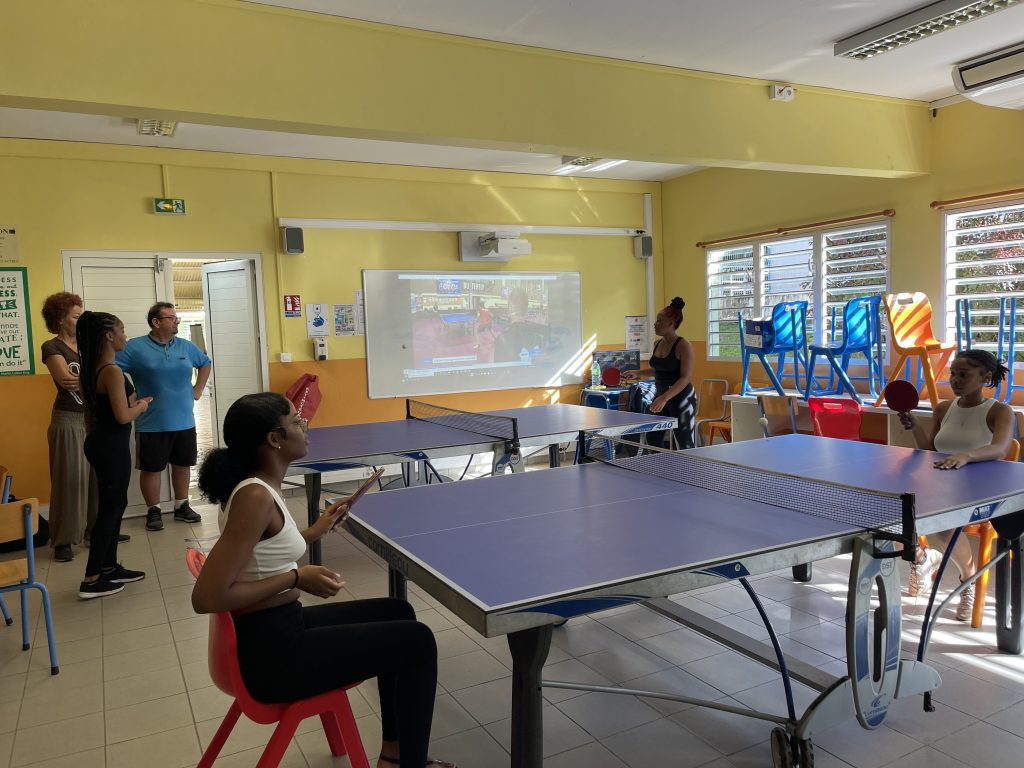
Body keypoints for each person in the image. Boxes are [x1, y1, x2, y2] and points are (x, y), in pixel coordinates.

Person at [191, 393, 452, 768]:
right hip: (272, 657)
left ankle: (394, 755)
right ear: (274, 439)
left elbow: (262, 550)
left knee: (399, 610)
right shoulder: (255, 497)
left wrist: (314, 531)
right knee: (419, 642)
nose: (305, 426)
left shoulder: (261, 487)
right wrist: (296, 577)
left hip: (281, 627)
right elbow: (206, 597)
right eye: (297, 421)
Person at [899, 349, 1014, 621]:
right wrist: (916, 427)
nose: (955, 380)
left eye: (964, 374)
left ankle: (967, 580)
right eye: (952, 373)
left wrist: (966, 456)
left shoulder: (1000, 411)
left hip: (982, 489)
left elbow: (1001, 448)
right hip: (942, 484)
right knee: (895, 510)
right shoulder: (942, 409)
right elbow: (930, 450)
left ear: (985, 378)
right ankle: (923, 558)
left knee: (945, 524)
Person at [116, 302, 211, 531]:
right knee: (151, 469)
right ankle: (153, 511)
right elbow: (111, 369)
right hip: (151, 422)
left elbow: (205, 363)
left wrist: (198, 389)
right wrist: (128, 395)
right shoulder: (134, 347)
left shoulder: (186, 346)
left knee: (182, 465)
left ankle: (181, 506)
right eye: (171, 318)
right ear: (156, 322)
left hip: (184, 420)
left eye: (176, 317)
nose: (176, 321)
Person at [76, 311, 151, 598]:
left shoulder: (93, 368)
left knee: (115, 505)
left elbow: (101, 412)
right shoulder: (111, 371)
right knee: (110, 509)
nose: (125, 336)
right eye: (122, 330)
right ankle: (91, 578)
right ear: (109, 335)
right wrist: (142, 406)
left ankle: (108, 567)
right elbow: (122, 416)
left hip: (102, 443)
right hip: (110, 446)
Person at [40, 292, 98, 563]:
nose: (80, 320)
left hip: (93, 419)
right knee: (69, 479)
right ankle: (63, 540)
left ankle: (95, 532)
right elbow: (66, 380)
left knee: (96, 479)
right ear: (60, 319)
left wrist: (90, 379)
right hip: (68, 420)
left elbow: (104, 373)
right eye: (75, 316)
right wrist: (97, 380)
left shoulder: (89, 345)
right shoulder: (51, 347)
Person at [648, 297, 697, 449]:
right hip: (661, 395)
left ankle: (689, 465)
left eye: (659, 320)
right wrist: (637, 373)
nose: (655, 324)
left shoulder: (683, 345)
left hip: (681, 397)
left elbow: (685, 378)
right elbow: (660, 370)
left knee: (684, 442)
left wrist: (664, 398)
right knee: (652, 439)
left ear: (671, 323)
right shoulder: (657, 343)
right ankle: (662, 464)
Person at [493, 288, 548, 363]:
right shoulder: (537, 338)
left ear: (510, 309)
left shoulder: (500, 339)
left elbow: (498, 368)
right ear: (526, 309)